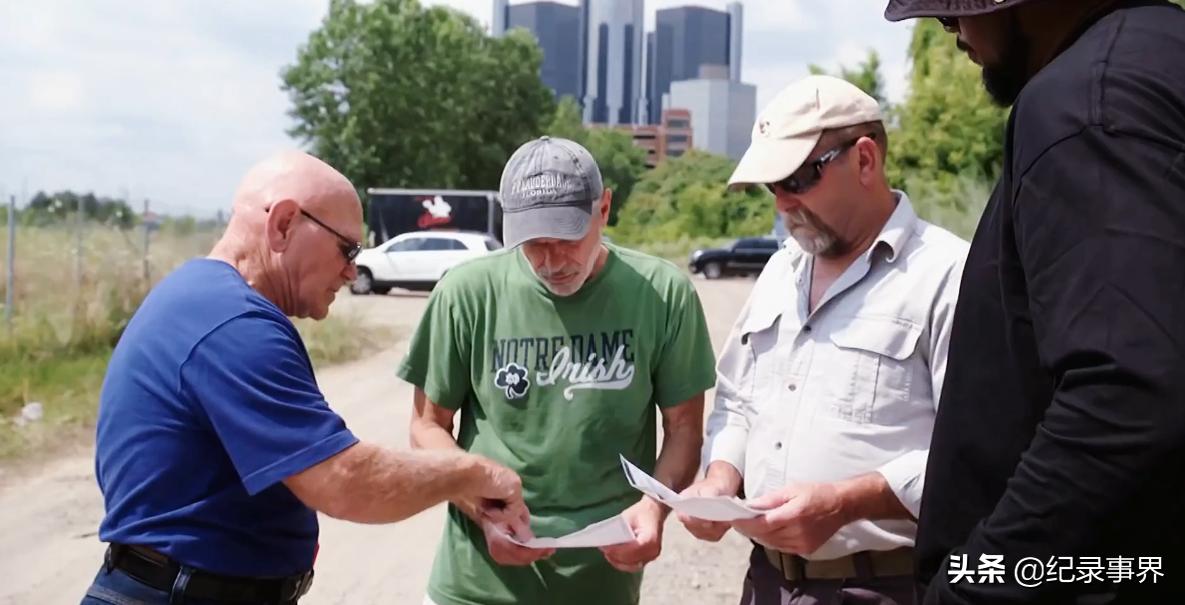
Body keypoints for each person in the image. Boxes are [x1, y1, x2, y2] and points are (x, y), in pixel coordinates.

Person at [83, 151, 526, 605]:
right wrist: (473, 472)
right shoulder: (233, 325)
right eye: (347, 248)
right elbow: (346, 482)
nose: (352, 270)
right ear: (284, 224)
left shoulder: (204, 299)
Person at [882, 0, 1185, 602]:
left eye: (955, 11)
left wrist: (972, 585)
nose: (951, 30)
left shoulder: (1086, 102)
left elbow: (1128, 394)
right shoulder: (1159, 60)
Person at [679, 75, 969, 605]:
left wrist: (846, 502)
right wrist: (722, 477)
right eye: (772, 187)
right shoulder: (777, 272)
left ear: (864, 160)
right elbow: (738, 402)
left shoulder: (950, 274)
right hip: (766, 582)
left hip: (889, 584)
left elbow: (975, 449)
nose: (783, 203)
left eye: (798, 178)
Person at [401, 136, 716, 605]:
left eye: (567, 238)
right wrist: (481, 508)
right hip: (474, 585)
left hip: (602, 585)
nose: (550, 262)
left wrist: (655, 508)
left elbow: (685, 429)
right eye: (533, 244)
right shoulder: (465, 293)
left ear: (604, 208)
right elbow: (428, 426)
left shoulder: (663, 294)